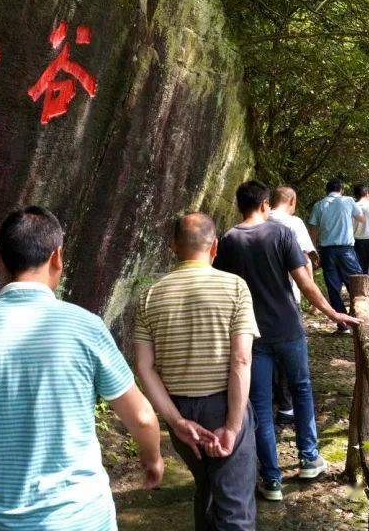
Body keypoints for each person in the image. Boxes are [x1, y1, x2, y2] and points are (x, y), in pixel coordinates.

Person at [0, 207, 164, 531]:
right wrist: (153, 459)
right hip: (82, 519)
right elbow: (141, 417)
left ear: (1, 261)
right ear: (57, 258)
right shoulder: (85, 327)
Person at [215, 181, 361, 502]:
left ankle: (271, 480)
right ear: (265, 204)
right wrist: (333, 314)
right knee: (301, 389)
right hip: (288, 328)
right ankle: (309, 458)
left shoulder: (228, 240)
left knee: (263, 406)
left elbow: (221, 289)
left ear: (240, 205)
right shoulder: (280, 234)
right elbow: (305, 284)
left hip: (250, 333)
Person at [133, 212, 260, 530]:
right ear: (215, 246)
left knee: (206, 489)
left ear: (173, 246)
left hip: (179, 408)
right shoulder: (235, 288)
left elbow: (144, 368)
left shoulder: (149, 296)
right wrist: (232, 426)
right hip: (224, 405)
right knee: (235, 509)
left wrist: (176, 422)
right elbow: (241, 360)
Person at [266, 185, 318, 425]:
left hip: (258, 298)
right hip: (288, 296)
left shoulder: (259, 219)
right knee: (289, 353)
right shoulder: (294, 223)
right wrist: (313, 295)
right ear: (292, 201)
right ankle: (287, 407)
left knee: (264, 352)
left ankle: (267, 403)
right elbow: (306, 259)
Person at [308, 178, 366, 335]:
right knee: (355, 282)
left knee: (333, 288)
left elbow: (312, 229)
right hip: (346, 250)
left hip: (327, 251)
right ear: (341, 189)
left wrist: (313, 250)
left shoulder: (319, 205)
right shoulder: (347, 201)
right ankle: (361, 320)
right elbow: (362, 218)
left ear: (327, 191)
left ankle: (343, 325)